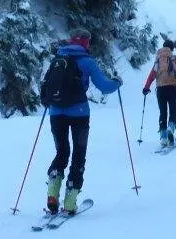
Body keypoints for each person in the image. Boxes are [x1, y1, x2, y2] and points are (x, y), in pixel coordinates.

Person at [44, 27, 121, 214]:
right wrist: (117, 82)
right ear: (87, 43)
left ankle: (53, 189)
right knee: (79, 154)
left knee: (62, 151)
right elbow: (104, 87)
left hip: (55, 113)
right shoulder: (88, 62)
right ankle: (70, 202)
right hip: (79, 114)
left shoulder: (57, 59)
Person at [142, 40, 176, 146]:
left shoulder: (158, 61)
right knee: (173, 112)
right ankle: (170, 129)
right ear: (172, 49)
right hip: (173, 89)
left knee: (163, 113)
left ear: (163, 48)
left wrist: (146, 87)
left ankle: (163, 137)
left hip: (160, 89)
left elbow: (152, 75)